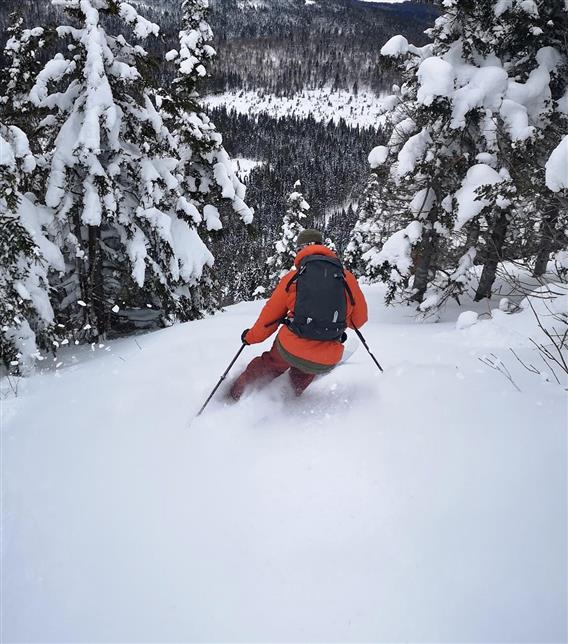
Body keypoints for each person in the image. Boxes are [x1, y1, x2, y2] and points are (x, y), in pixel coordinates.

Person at [229, 229, 368, 401]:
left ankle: (235, 394)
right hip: (327, 356)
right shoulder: (346, 278)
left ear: (301, 249)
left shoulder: (293, 278)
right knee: (306, 369)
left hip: (290, 348)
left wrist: (250, 337)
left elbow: (269, 319)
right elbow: (359, 321)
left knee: (271, 363)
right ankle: (286, 399)